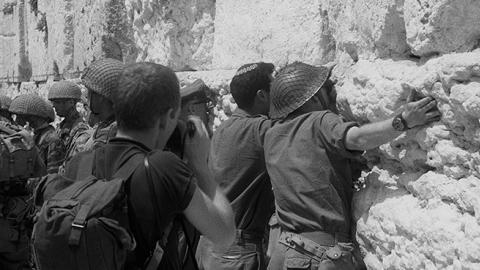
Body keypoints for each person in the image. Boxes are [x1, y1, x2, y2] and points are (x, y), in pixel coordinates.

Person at [264, 62, 441, 270]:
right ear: (313, 98)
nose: (330, 95)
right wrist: (403, 120)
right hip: (318, 255)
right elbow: (357, 139)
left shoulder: (271, 135)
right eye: (325, 89)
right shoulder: (320, 120)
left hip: (285, 251)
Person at [91, 62, 235, 269]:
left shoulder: (81, 162)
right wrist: (199, 164)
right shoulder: (163, 167)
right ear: (167, 117)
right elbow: (224, 234)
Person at [196, 62, 276, 270]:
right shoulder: (261, 129)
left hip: (209, 244)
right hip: (236, 251)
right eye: (275, 88)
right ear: (262, 95)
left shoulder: (223, 128)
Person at [9, 94, 66, 174]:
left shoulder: (52, 139)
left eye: (21, 116)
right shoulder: (37, 135)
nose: (17, 120)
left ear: (32, 117)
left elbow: (53, 175)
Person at [80, 58, 125, 151]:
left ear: (100, 97)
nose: (85, 97)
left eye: (89, 91)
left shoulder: (109, 134)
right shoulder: (105, 126)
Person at [47, 80, 90, 160]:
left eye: (57, 102)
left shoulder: (80, 129)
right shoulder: (61, 126)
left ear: (71, 102)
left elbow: (77, 160)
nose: (53, 106)